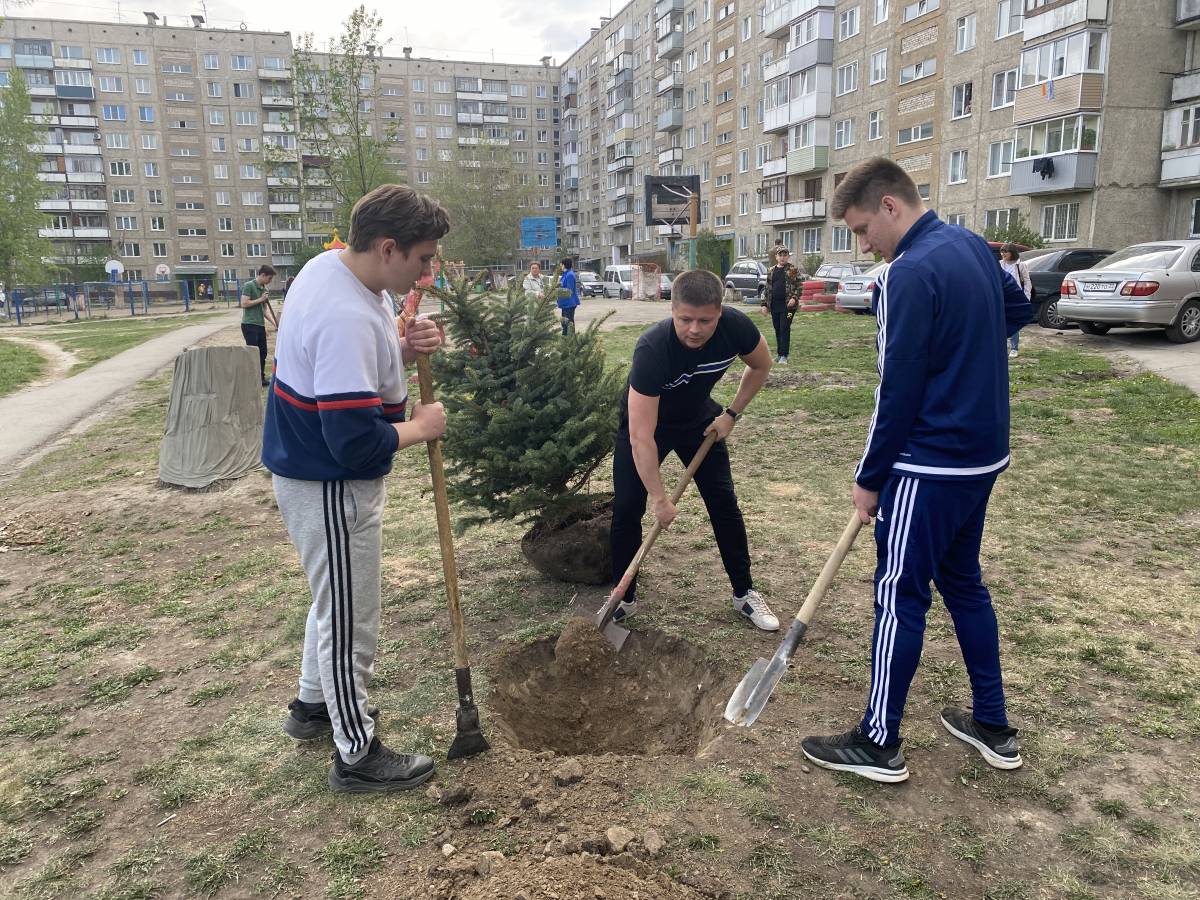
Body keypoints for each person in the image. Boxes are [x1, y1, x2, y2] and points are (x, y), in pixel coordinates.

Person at [800, 157, 1031, 784]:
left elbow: (894, 390)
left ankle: (879, 742)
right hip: (982, 458)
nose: (861, 243)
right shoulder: (973, 247)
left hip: (927, 466)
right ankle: (992, 723)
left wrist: (871, 476)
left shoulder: (904, 275)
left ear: (890, 207)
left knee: (899, 593)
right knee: (963, 584)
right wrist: (966, 355)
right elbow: (1019, 309)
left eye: (860, 228)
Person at [263, 184, 450, 793]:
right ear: (389, 247)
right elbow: (354, 442)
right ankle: (356, 753)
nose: (429, 270)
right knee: (351, 619)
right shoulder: (345, 314)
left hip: (307, 470)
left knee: (333, 602)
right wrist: (419, 428)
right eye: (423, 259)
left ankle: (314, 706)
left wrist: (397, 345)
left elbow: (340, 367)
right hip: (330, 483)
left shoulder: (334, 270)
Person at [610, 269, 779, 632]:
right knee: (627, 508)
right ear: (671, 310)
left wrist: (731, 414)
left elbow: (762, 364)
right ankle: (623, 600)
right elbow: (642, 437)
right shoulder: (653, 349)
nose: (695, 329)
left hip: (698, 420)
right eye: (685, 319)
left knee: (723, 503)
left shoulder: (736, 327)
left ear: (720, 312)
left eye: (705, 320)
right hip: (646, 426)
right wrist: (659, 498)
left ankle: (744, 592)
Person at [761, 247, 802, 364]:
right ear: (776, 257)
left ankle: (784, 355)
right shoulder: (771, 270)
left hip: (789, 307)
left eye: (785, 255)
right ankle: (779, 354)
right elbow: (767, 289)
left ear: (788, 256)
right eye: (780, 255)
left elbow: (799, 286)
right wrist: (764, 304)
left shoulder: (792, 269)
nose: (782, 257)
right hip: (775, 306)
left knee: (785, 327)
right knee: (778, 328)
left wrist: (794, 298)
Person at [240, 265, 278, 386]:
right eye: (269, 278)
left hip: (259, 325)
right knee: (253, 353)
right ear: (263, 275)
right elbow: (244, 303)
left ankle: (260, 378)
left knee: (263, 352)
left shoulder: (264, 289)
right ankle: (252, 379)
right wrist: (260, 299)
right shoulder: (249, 285)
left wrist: (275, 323)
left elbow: (264, 310)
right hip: (249, 324)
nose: (270, 281)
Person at [998, 244, 1031, 358]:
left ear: (1012, 252)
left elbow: (1027, 282)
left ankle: (1014, 348)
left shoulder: (1020, 265)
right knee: (1000, 322)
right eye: (1002, 252)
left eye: (1005, 252)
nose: (1003, 254)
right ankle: (1001, 347)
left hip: (1015, 297)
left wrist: (1026, 297)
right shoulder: (999, 264)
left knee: (1013, 320)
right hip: (1001, 296)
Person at [558, 258, 580, 335]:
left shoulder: (570, 275)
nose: (560, 266)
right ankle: (565, 338)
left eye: (561, 264)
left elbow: (569, 290)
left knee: (568, 323)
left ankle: (570, 339)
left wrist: (557, 291)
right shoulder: (566, 274)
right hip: (565, 303)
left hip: (569, 303)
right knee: (564, 322)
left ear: (564, 265)